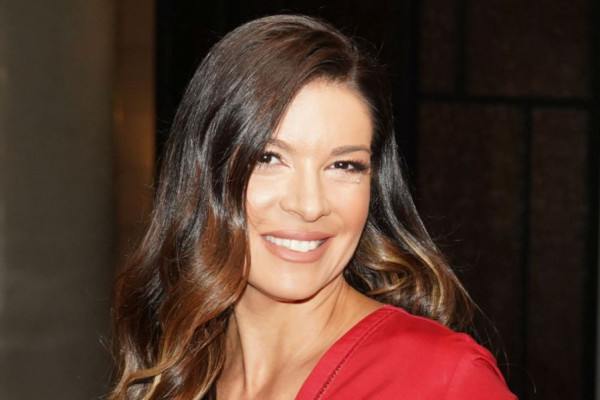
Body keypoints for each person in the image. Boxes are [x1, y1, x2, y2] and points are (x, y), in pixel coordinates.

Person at [109, 14, 517, 400]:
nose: (309, 205)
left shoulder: (441, 379)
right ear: (204, 172)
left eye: (343, 166)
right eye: (269, 158)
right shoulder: (174, 375)